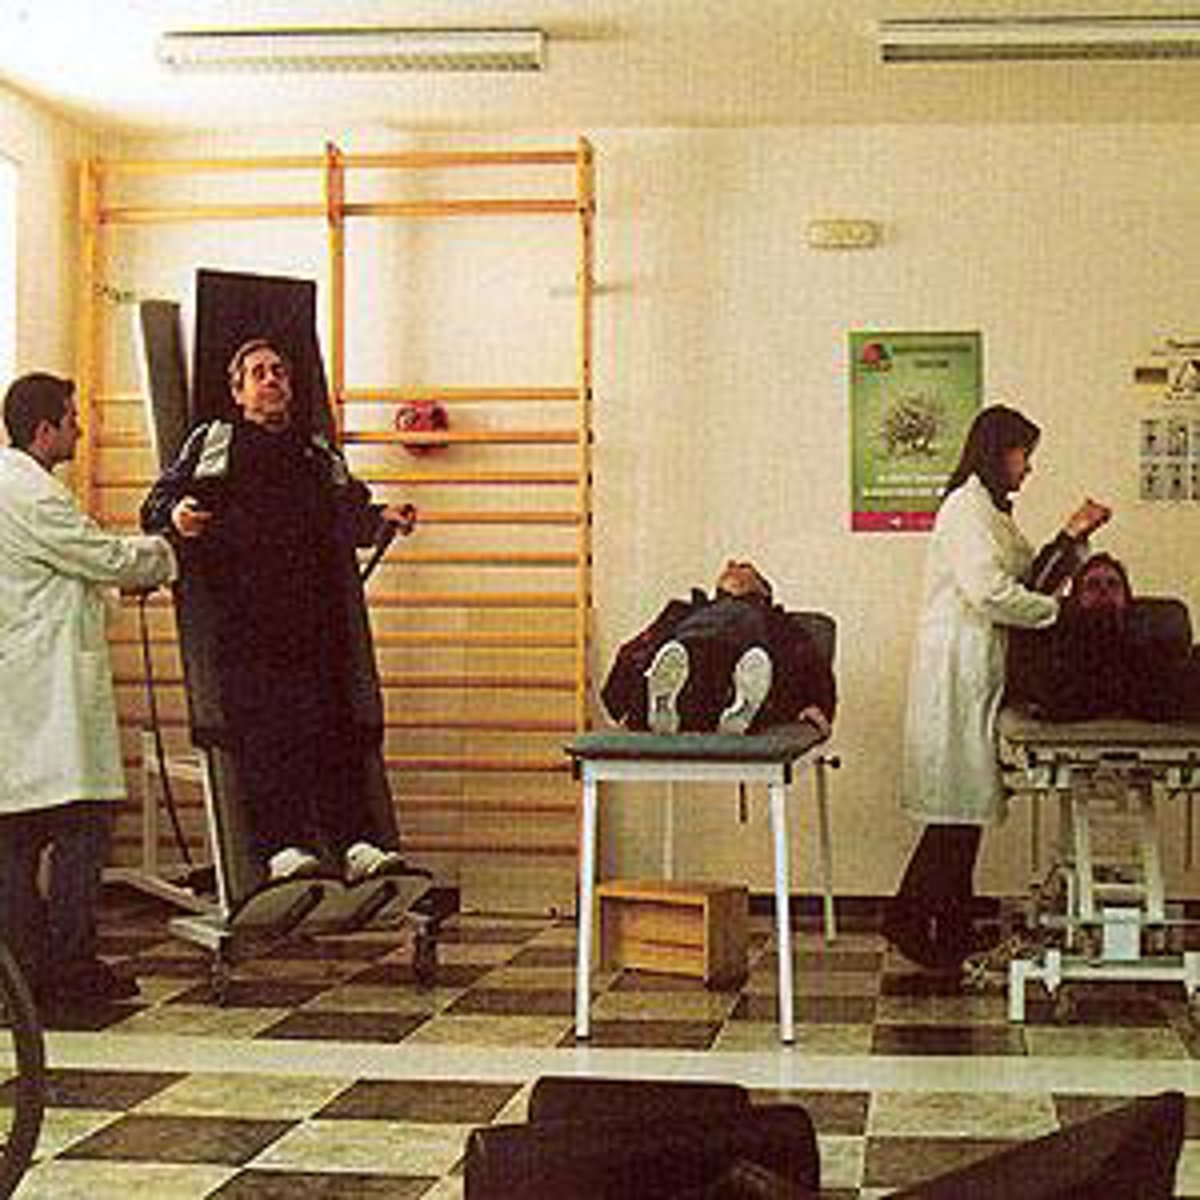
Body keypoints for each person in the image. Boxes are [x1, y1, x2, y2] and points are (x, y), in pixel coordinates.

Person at [140, 338, 417, 885]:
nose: (271, 380)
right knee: (266, 733)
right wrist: (178, 514)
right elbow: (156, 505)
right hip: (248, 621)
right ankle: (282, 847)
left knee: (336, 730)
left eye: (279, 372)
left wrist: (385, 515)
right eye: (258, 373)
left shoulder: (315, 450)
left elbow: (352, 512)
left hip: (317, 621)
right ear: (238, 391)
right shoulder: (215, 440)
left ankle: (356, 844)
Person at [883, 404, 1111, 972]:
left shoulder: (992, 513)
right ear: (997, 450)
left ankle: (945, 922)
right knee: (955, 812)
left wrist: (1072, 537)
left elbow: (1030, 576)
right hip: (955, 672)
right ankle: (912, 919)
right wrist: (1061, 614)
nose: (1028, 466)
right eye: (1023, 453)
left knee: (962, 811)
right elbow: (989, 592)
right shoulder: (965, 510)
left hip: (976, 672)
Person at [0, 372, 177, 1005]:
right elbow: (99, 556)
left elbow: (64, 574)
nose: (80, 429)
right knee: (82, 828)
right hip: (46, 691)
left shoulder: (14, 486)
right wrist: (171, 548)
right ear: (44, 428)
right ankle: (67, 967)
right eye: (73, 419)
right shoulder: (32, 494)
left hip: (22, 689)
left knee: (16, 837)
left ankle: (21, 971)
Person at [601, 560, 836, 738]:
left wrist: (818, 706)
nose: (732, 563)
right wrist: (622, 703)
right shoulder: (681, 612)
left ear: (764, 591)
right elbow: (636, 649)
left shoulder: (777, 623)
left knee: (752, 661)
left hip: (730, 687)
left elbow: (812, 664)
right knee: (675, 654)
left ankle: (737, 708)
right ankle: (668, 707)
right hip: (688, 692)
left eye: (744, 567)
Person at [1007, 551, 1200, 722]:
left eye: (1113, 584)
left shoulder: (1148, 643)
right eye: (1092, 585)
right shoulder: (1059, 646)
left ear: (1126, 600)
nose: (1104, 590)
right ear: (1076, 600)